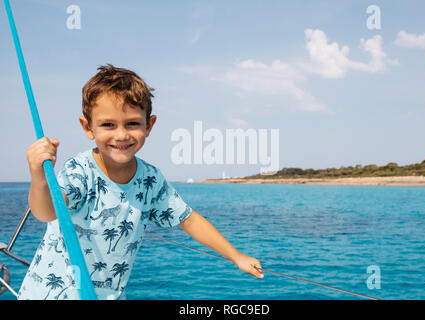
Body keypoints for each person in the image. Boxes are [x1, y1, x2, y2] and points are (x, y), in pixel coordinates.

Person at [18, 64, 263, 300]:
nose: (122, 135)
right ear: (88, 127)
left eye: (133, 123)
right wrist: (38, 175)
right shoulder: (80, 171)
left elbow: (189, 219)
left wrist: (236, 256)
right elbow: (47, 211)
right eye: (108, 125)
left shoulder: (151, 179)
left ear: (150, 125)